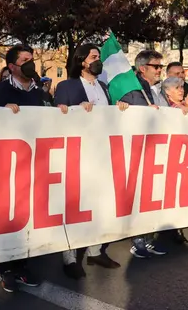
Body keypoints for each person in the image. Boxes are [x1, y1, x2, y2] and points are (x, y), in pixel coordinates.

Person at [53, 44, 128, 279]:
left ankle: (95, 250)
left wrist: (119, 109)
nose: (98, 60)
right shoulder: (67, 86)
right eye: (93, 57)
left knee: (99, 203)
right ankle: (70, 257)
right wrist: (75, 110)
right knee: (75, 205)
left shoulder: (103, 87)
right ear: (81, 61)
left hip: (102, 153)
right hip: (76, 153)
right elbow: (57, 116)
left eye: (98, 57)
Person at [0, 44, 44, 292]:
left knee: (26, 215)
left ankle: (22, 264)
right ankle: (6, 268)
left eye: (32, 59)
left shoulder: (40, 93)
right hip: (4, 165)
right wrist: (1, 114)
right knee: (6, 217)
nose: (31, 63)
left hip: (34, 164)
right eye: (25, 60)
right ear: (11, 66)